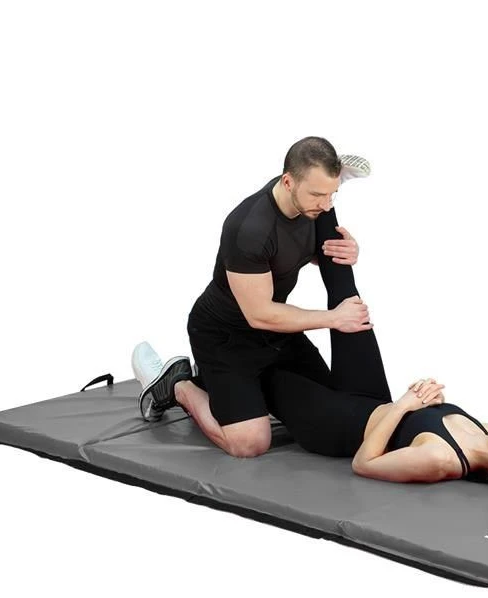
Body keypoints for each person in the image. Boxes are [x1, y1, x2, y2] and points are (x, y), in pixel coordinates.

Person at [134, 205, 488, 494]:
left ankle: (179, 386)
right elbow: (422, 419)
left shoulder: (441, 461)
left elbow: (365, 463)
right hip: (369, 398)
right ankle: (327, 196)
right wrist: (427, 396)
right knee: (351, 308)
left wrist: (406, 404)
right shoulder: (486, 432)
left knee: (262, 380)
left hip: (333, 426)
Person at [133, 136, 373, 459]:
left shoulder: (312, 205)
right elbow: (259, 314)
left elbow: (296, 248)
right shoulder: (249, 228)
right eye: (318, 195)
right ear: (288, 182)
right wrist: (333, 318)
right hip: (226, 337)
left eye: (332, 194)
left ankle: (232, 389)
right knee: (250, 443)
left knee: (333, 403)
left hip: (275, 334)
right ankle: (179, 385)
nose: (326, 205)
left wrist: (343, 250)